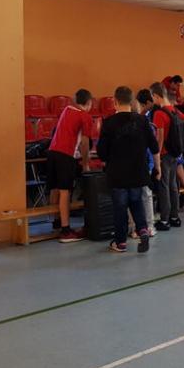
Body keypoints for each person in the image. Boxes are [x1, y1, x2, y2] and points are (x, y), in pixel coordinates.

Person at [97, 86, 161, 253]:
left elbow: (102, 152)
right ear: (132, 101)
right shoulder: (142, 121)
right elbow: (154, 147)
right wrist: (157, 167)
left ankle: (120, 242)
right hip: (138, 171)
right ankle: (143, 230)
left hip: (117, 173)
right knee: (136, 203)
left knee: (120, 208)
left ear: (115, 101)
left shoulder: (109, 123)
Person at [47, 88, 93, 242]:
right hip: (65, 155)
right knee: (65, 191)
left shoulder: (66, 110)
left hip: (52, 151)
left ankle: (56, 222)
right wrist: (85, 163)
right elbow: (85, 143)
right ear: (89, 102)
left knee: (54, 188)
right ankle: (66, 230)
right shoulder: (85, 116)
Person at [150, 82, 184, 231]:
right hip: (176, 153)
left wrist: (156, 156)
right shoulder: (174, 111)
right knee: (173, 185)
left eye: (152, 97)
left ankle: (165, 220)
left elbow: (159, 138)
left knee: (164, 186)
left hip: (165, 154)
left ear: (156, 95)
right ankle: (175, 217)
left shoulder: (159, 114)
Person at [134, 89, 158, 238]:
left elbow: (153, 146)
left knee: (146, 194)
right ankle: (135, 227)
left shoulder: (148, 121)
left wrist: (156, 165)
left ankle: (149, 225)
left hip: (146, 162)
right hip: (135, 163)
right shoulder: (135, 120)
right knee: (134, 195)